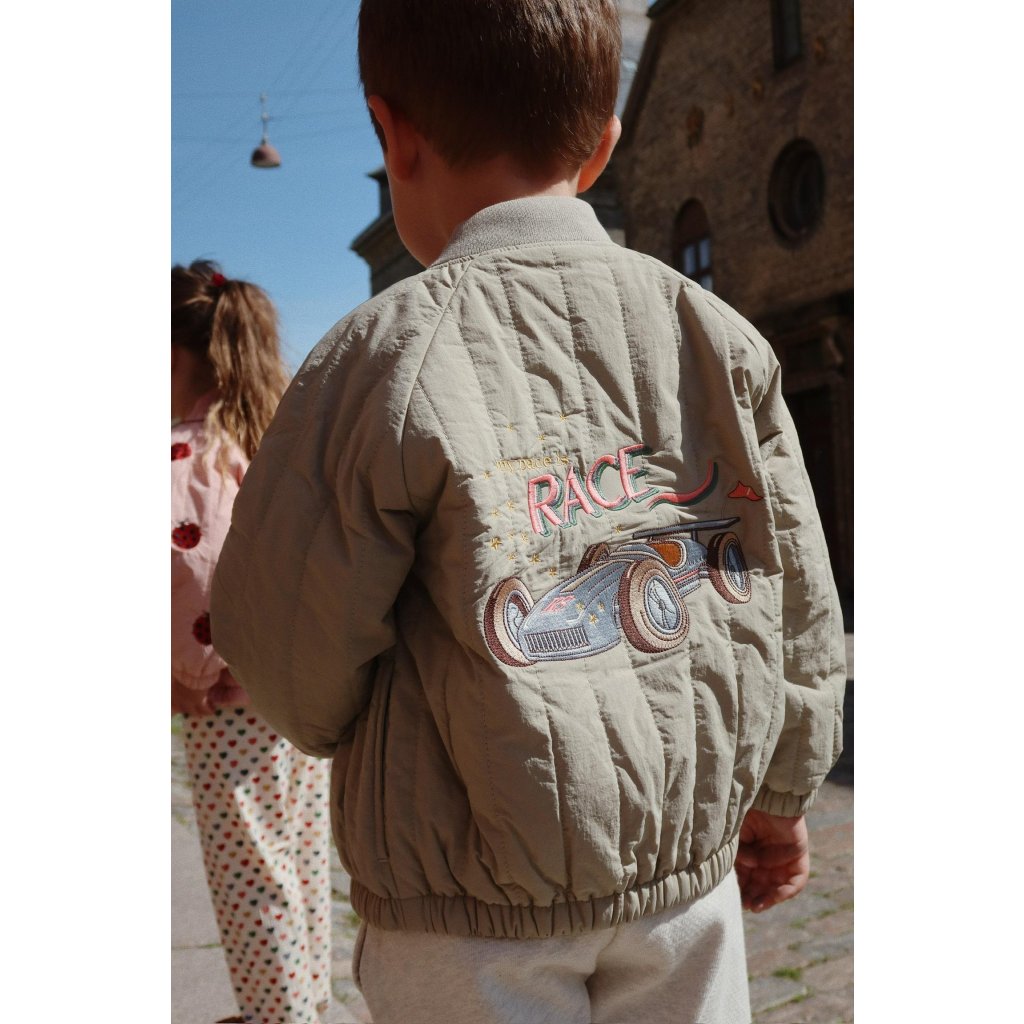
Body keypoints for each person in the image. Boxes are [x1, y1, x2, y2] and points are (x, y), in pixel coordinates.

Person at [211, 2, 846, 1021]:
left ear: (392, 133)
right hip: (684, 878)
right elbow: (798, 593)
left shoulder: (376, 359)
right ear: (604, 144)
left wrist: (338, 718)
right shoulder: (716, 336)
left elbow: (282, 643)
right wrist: (782, 786)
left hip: (464, 900)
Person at [171, 260, 332, 1024]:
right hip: (296, 698)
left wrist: (188, 671)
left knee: (252, 879)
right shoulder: (274, 439)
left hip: (229, 703)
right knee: (296, 863)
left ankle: (279, 1016)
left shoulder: (186, 452)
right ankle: (303, 1005)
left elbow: (194, 563)